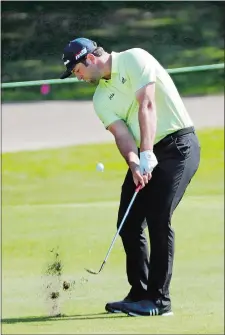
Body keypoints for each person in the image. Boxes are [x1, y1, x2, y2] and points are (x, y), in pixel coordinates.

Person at [60, 37, 201, 316]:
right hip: (144, 155)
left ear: (88, 59)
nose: (78, 78)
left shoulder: (134, 58)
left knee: (159, 218)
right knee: (129, 222)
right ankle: (140, 292)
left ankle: (159, 301)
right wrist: (135, 162)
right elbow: (122, 135)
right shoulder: (100, 98)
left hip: (178, 147)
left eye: (77, 71)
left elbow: (147, 104)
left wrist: (147, 152)